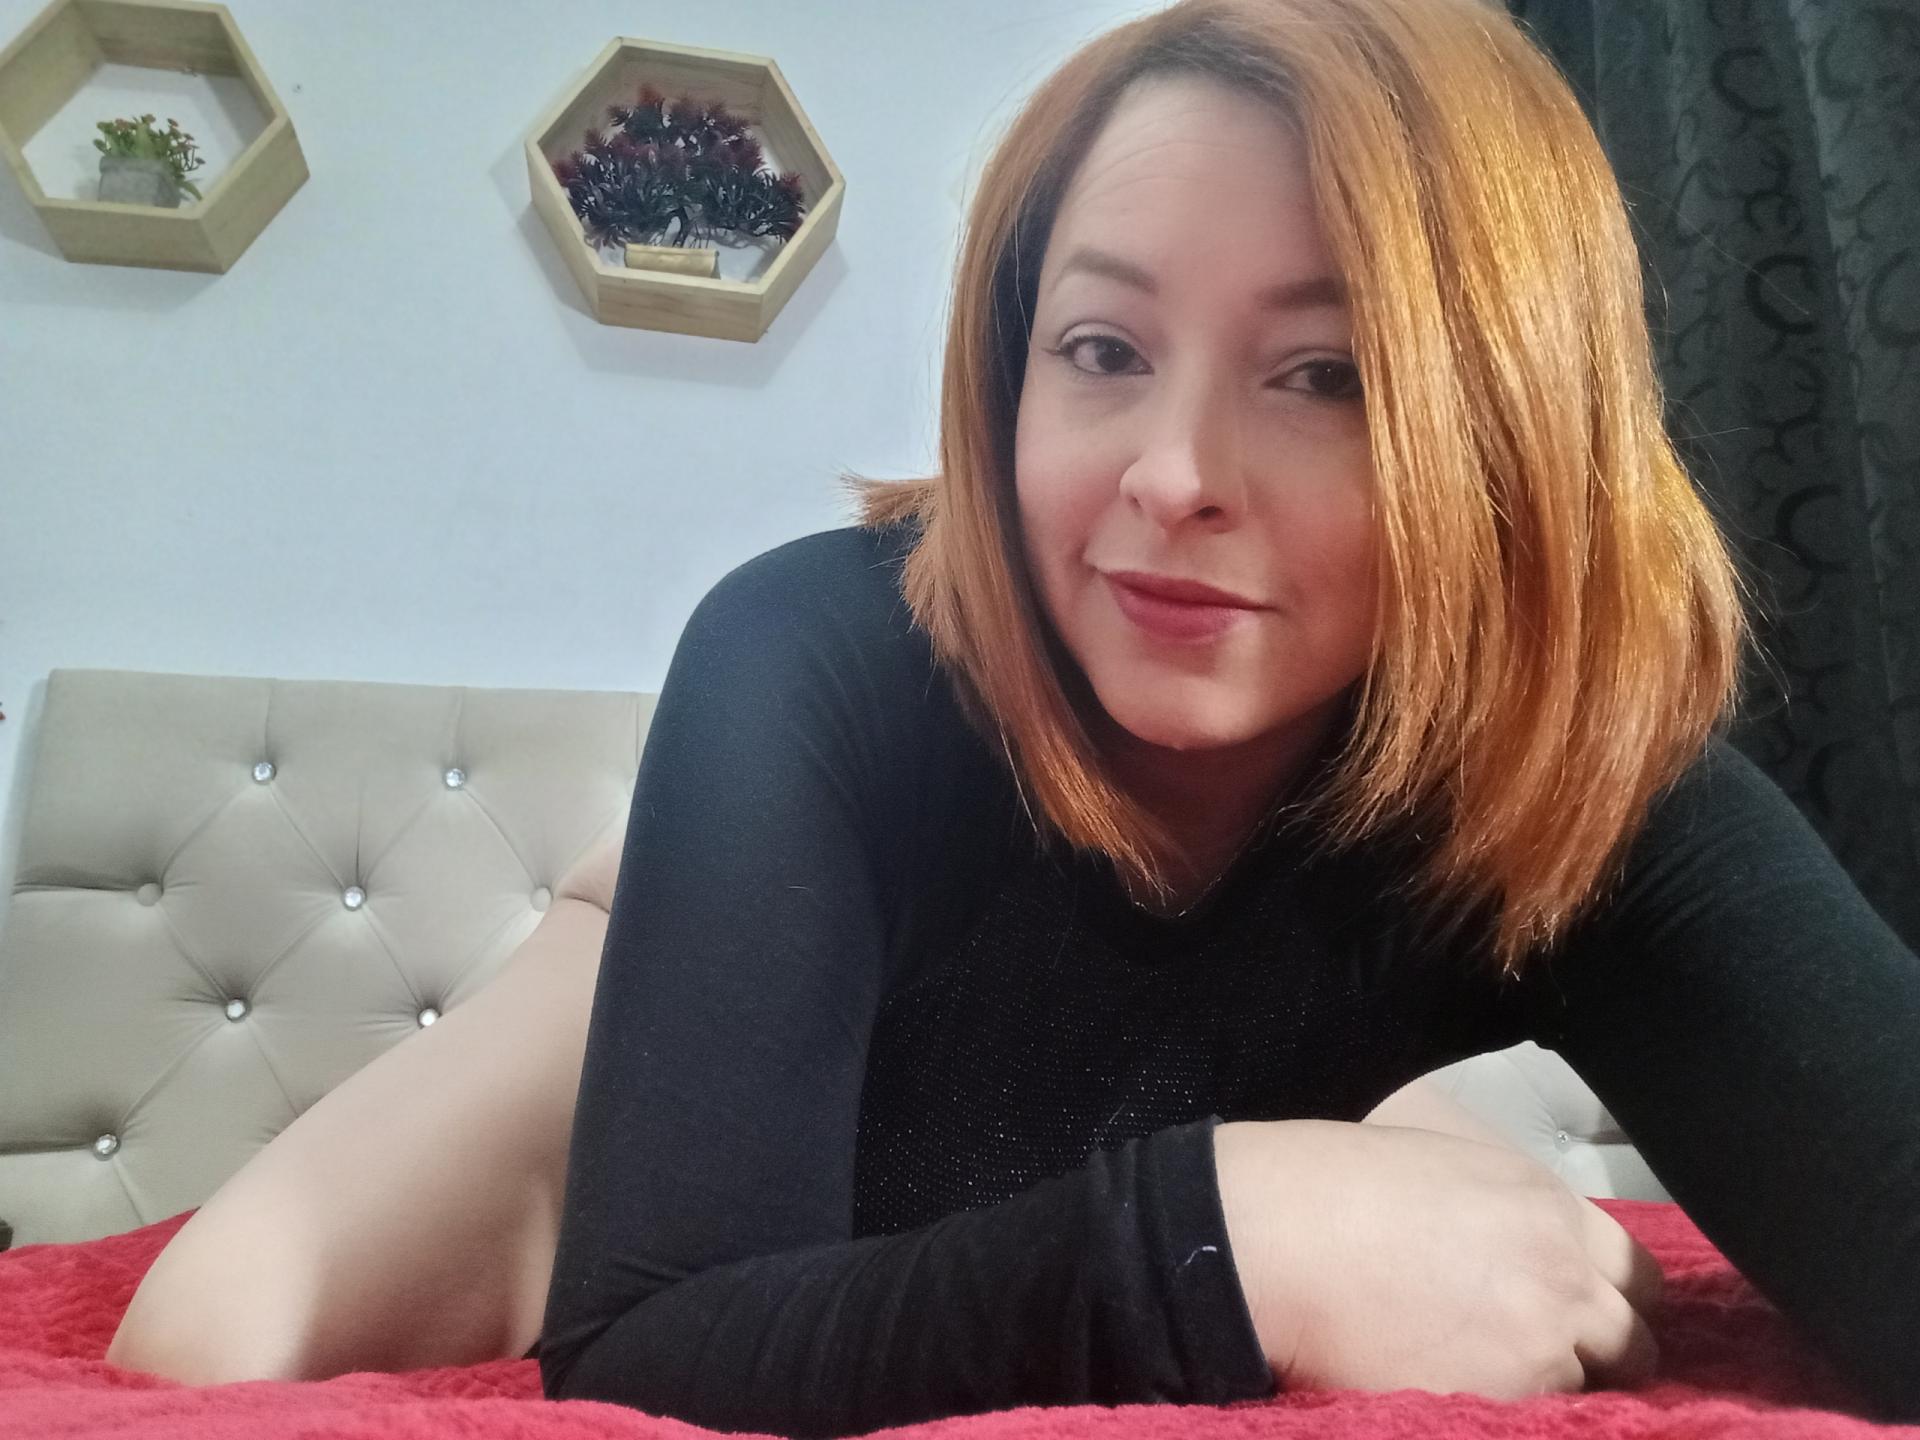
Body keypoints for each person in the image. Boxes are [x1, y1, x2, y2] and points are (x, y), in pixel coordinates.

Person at [105, 0, 1920, 1434]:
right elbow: (655, 1342)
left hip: (1158, 1041)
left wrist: (1273, 1210)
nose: (1174, 476)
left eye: (1328, 374)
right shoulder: (812, 655)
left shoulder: (1578, 775)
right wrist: (1213, 1237)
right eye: (1103, 349)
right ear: (1008, 368)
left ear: (1516, 432)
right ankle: (626, 915)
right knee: (214, 1330)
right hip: (726, 950)